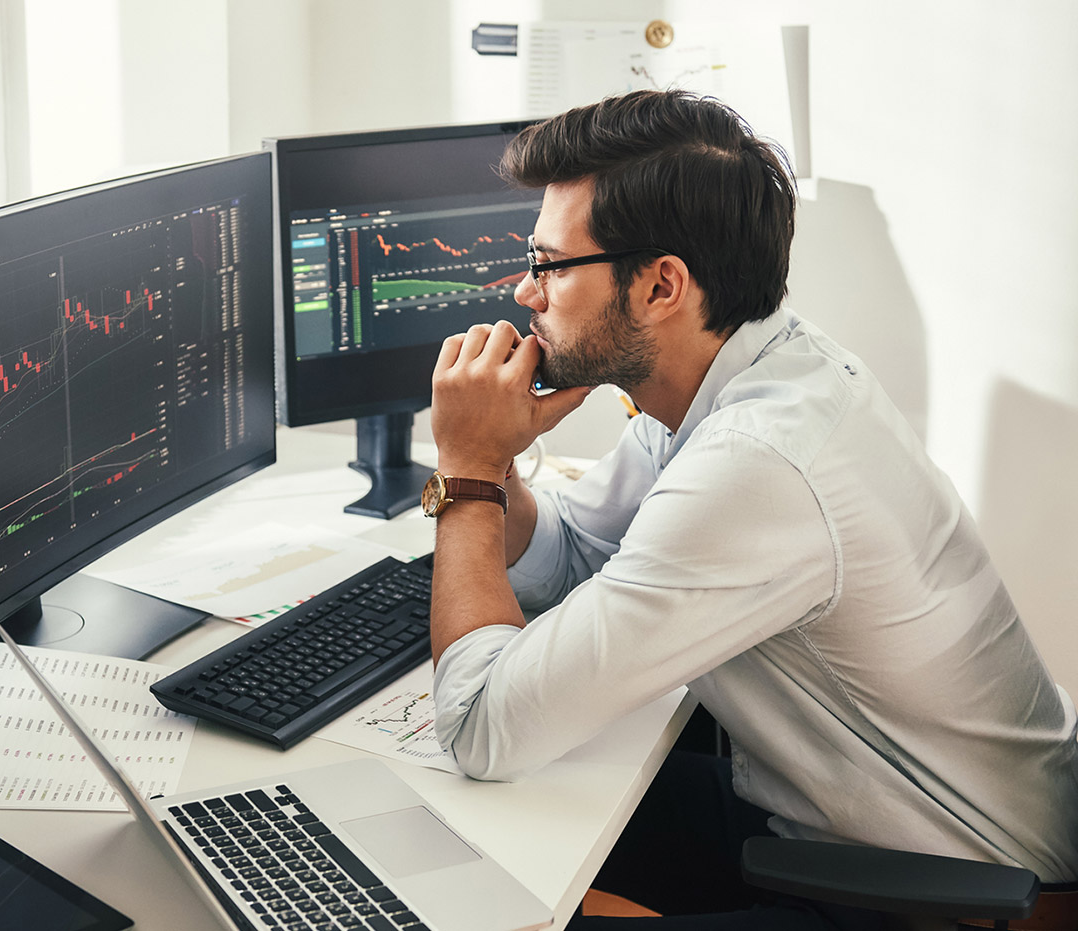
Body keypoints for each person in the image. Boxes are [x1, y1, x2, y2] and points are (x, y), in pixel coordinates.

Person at [424, 89, 1078, 929]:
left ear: (661, 285)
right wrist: (499, 464)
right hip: (839, 823)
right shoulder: (744, 369)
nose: (525, 292)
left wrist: (469, 473)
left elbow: (482, 728)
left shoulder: (759, 461)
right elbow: (577, 557)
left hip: (942, 896)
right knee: (475, 822)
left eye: (550, 265)